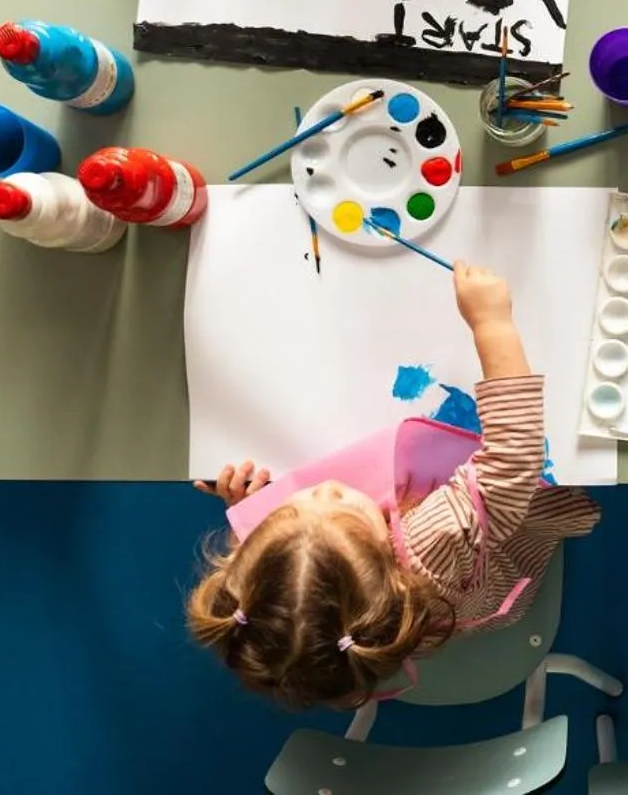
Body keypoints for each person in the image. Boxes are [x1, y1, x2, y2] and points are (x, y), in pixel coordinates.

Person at [186, 262, 598, 709]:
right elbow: (513, 461)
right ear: (388, 565)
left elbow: (293, 571)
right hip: (510, 561)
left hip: (438, 608)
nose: (323, 491)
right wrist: (491, 324)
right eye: (343, 511)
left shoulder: (334, 605)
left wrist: (251, 507)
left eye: (291, 511)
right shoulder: (430, 543)